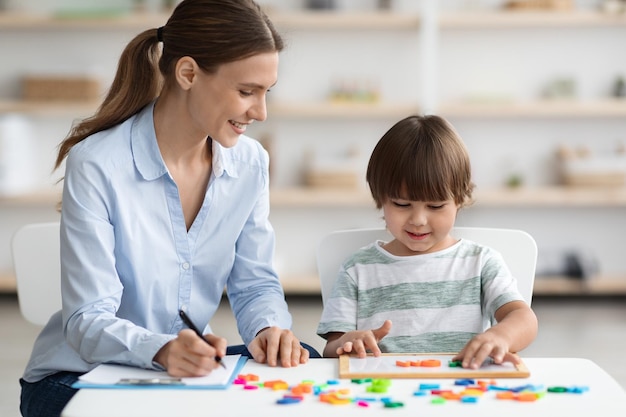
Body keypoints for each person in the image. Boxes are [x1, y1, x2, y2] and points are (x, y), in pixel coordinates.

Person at [19, 1, 320, 416]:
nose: (261, 112)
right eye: (246, 91)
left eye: (266, 93)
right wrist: (161, 349)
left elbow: (255, 283)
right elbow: (87, 319)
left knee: (303, 355)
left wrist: (270, 329)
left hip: (184, 373)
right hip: (79, 376)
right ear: (188, 74)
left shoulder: (250, 163)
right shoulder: (98, 164)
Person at [316, 114, 538, 369]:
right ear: (380, 199)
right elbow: (332, 347)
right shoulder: (357, 269)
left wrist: (501, 335)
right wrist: (348, 343)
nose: (419, 219)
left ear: (460, 200)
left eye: (435, 205)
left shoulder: (481, 262)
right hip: (382, 396)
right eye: (401, 204)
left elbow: (524, 318)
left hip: (461, 393)